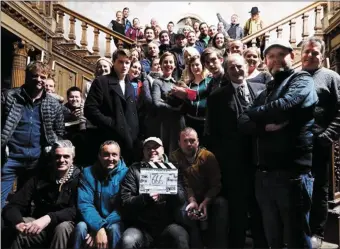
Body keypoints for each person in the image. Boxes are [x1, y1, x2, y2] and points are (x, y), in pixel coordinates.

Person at [238, 39, 318, 248]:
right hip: (265, 176)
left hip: (292, 175)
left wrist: (254, 114)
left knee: (296, 239)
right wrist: (263, 127)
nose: (276, 60)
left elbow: (285, 105)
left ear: (293, 56)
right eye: (271, 56)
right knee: (272, 238)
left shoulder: (302, 79)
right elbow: (242, 121)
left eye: (281, 54)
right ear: (266, 61)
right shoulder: (267, 90)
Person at [206, 53, 266, 248]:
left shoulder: (262, 90)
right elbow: (212, 133)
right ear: (227, 71)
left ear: (247, 66)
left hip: (260, 163)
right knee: (237, 212)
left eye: (239, 66)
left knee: (260, 211)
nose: (236, 70)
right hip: (234, 166)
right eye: (231, 67)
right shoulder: (217, 97)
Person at [1, 61, 64, 208]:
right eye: (35, 76)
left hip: (36, 160)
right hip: (9, 158)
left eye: (43, 77)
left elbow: (60, 132)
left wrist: (50, 147)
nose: (39, 80)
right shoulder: (10, 97)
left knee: (23, 204)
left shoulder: (53, 104)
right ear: (27, 77)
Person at [2, 140, 80, 249]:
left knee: (62, 228)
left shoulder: (81, 179)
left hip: (66, 227)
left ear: (72, 158)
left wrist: (48, 218)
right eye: (57, 156)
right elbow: (13, 205)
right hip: (40, 226)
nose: (61, 160)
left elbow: (76, 210)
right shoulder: (39, 177)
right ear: (52, 158)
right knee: (15, 227)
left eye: (66, 156)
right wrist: (18, 223)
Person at [300, 37, 340, 248]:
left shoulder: (331, 77)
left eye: (315, 53)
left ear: (322, 56)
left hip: (319, 144)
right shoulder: (295, 77)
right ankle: (301, 230)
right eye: (307, 52)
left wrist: (327, 136)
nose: (310, 55)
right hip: (296, 147)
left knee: (319, 190)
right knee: (298, 189)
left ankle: (317, 232)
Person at [119, 137, 190, 249]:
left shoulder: (173, 168)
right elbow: (125, 200)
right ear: (143, 152)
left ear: (162, 150)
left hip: (167, 225)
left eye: (156, 147)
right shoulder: (134, 170)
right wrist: (144, 198)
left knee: (181, 236)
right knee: (128, 240)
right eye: (148, 148)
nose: (152, 150)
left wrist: (168, 185)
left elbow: (181, 199)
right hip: (141, 227)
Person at [170, 127, 228, 248]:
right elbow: (181, 182)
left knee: (222, 204)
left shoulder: (208, 156)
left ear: (198, 142)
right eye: (185, 141)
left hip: (208, 197)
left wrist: (206, 202)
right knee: (184, 212)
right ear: (179, 143)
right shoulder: (175, 158)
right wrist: (192, 201)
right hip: (187, 198)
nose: (189, 144)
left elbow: (216, 183)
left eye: (192, 140)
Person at [84, 49, 139, 165]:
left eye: (127, 62)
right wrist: (111, 123)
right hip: (108, 136)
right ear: (113, 62)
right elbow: (90, 109)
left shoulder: (129, 85)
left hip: (129, 139)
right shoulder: (101, 82)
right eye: (120, 62)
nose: (124, 66)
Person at [74, 140, 128, 249]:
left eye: (114, 155)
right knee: (80, 227)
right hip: (91, 221)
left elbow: (123, 207)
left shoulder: (127, 174)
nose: (110, 159)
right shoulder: (87, 173)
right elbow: (85, 203)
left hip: (115, 221)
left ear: (120, 156)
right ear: (99, 156)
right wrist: (98, 227)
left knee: (114, 228)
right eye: (106, 155)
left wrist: (100, 228)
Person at [152, 52, 186, 154]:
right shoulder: (157, 82)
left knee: (180, 151)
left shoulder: (177, 82)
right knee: (169, 151)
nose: (168, 64)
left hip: (179, 121)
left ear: (174, 66)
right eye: (165, 62)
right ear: (161, 65)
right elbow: (157, 103)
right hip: (166, 122)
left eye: (171, 62)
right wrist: (174, 109)